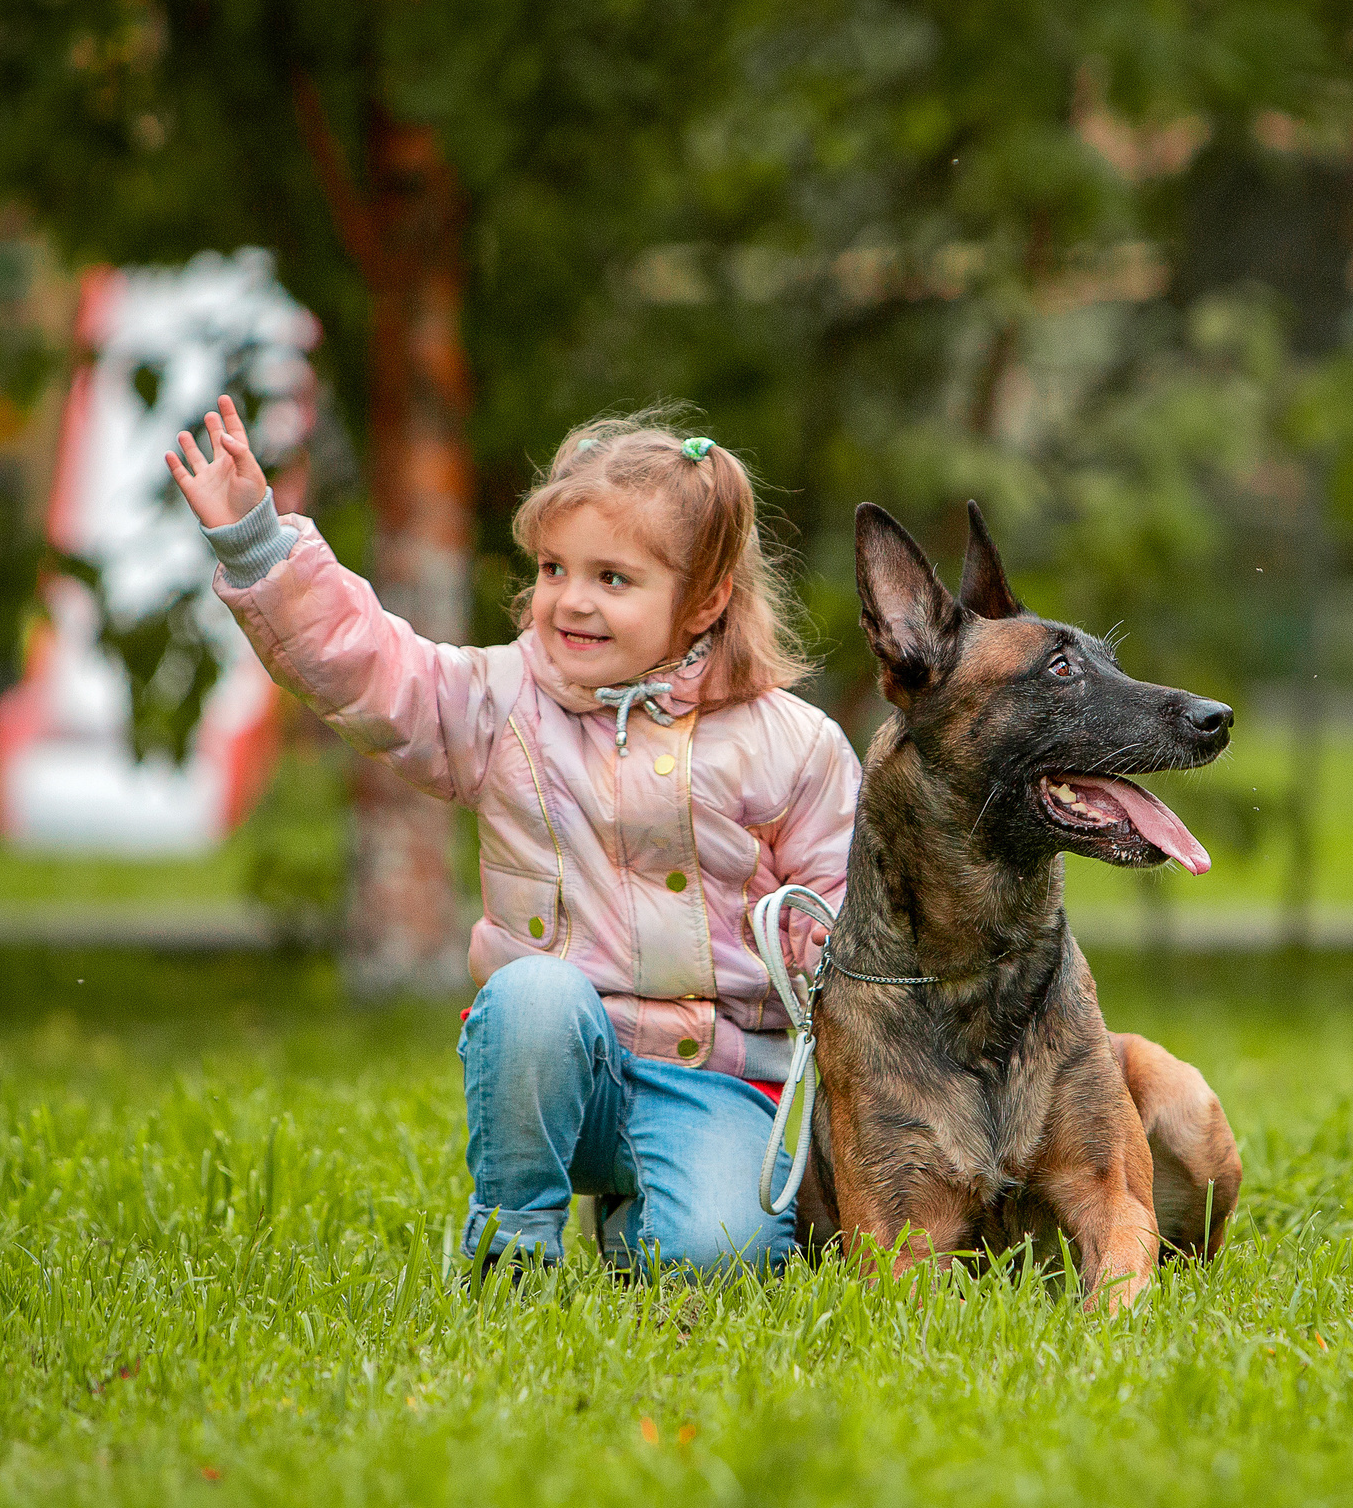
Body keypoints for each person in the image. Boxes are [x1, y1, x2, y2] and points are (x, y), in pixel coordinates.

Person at [167, 398, 856, 1275]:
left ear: (705, 599)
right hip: (558, 1067)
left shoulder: (791, 744)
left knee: (715, 1259)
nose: (570, 599)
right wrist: (261, 547)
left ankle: (640, 1218)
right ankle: (515, 1238)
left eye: (614, 578)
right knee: (533, 993)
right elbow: (375, 670)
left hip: (717, 1083)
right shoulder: (501, 705)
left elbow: (841, 915)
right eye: (554, 567)